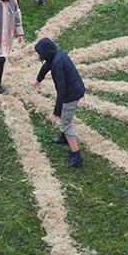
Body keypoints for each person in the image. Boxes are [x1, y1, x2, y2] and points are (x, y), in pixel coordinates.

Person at [33, 38, 85, 168]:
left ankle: (76, 156)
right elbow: (46, 65)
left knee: (66, 124)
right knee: (64, 117)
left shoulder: (57, 63)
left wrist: (57, 110)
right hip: (74, 89)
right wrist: (39, 79)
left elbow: (62, 90)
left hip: (71, 94)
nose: (40, 56)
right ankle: (64, 137)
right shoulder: (57, 54)